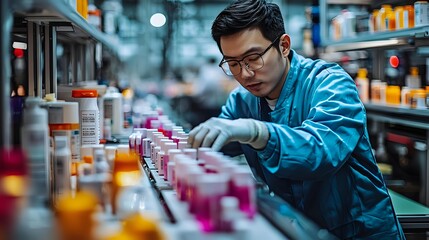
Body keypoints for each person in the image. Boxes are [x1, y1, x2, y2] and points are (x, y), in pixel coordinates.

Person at [187, 0, 405, 239]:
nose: (245, 74)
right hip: (295, 230)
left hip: (358, 233)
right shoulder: (242, 101)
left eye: (254, 58)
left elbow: (321, 151)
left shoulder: (330, 83)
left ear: (283, 45)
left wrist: (258, 132)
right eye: (233, 64)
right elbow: (215, 146)